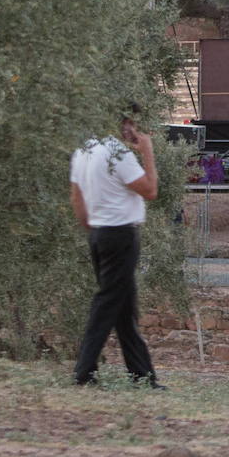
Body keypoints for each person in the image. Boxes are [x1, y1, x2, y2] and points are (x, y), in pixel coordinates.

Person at [70, 105, 162, 388]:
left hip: (99, 234)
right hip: (121, 235)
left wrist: (93, 226)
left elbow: (76, 197)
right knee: (107, 303)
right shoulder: (117, 155)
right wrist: (147, 150)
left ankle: (142, 376)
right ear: (120, 124)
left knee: (124, 309)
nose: (132, 129)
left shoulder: (83, 150)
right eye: (130, 123)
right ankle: (83, 372)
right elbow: (150, 190)